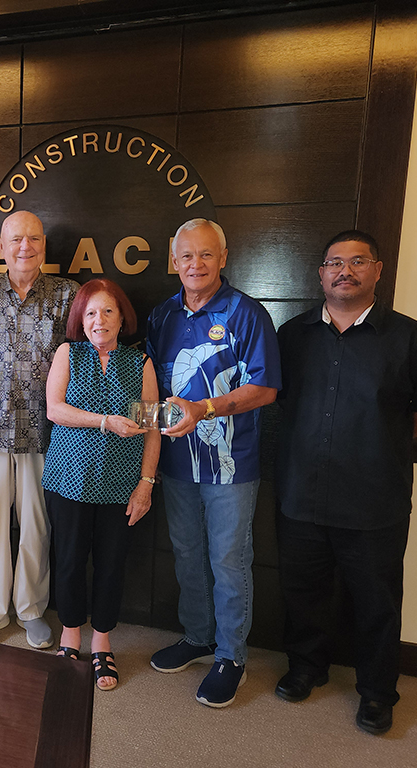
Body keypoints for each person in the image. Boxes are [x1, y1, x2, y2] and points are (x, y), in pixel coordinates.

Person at [274, 230, 417, 735]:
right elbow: (273, 397)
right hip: (301, 492)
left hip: (375, 499)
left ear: (378, 270)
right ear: (321, 274)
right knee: (303, 591)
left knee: (377, 602)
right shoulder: (290, 336)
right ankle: (306, 668)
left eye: (357, 262)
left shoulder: (413, 338)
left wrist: (385, 433)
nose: (344, 271)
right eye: (334, 262)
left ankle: (377, 693)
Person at [146, 218, 281, 708]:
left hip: (231, 464)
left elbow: (265, 388)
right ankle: (199, 636)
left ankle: (232, 656)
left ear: (223, 258)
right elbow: (152, 389)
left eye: (206, 255)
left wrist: (204, 408)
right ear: (174, 261)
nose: (195, 265)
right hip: (177, 463)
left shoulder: (247, 314)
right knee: (186, 553)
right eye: (186, 256)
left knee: (228, 559)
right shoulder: (162, 316)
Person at [0, 211, 78, 649]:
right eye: (16, 240)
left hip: (46, 435)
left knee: (36, 526)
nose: (25, 247)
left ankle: (30, 610)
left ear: (44, 245)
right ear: (1, 248)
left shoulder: (68, 296)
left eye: (33, 239)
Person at [42, 279, 161, 691]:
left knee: (111, 565)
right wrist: (105, 420)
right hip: (68, 480)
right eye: (91, 312)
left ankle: (102, 642)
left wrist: (145, 484)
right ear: (81, 319)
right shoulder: (67, 353)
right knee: (70, 559)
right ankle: (70, 632)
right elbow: (54, 409)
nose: (99, 320)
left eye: (108, 311)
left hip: (121, 484)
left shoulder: (140, 362)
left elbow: (151, 429)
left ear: (122, 317)